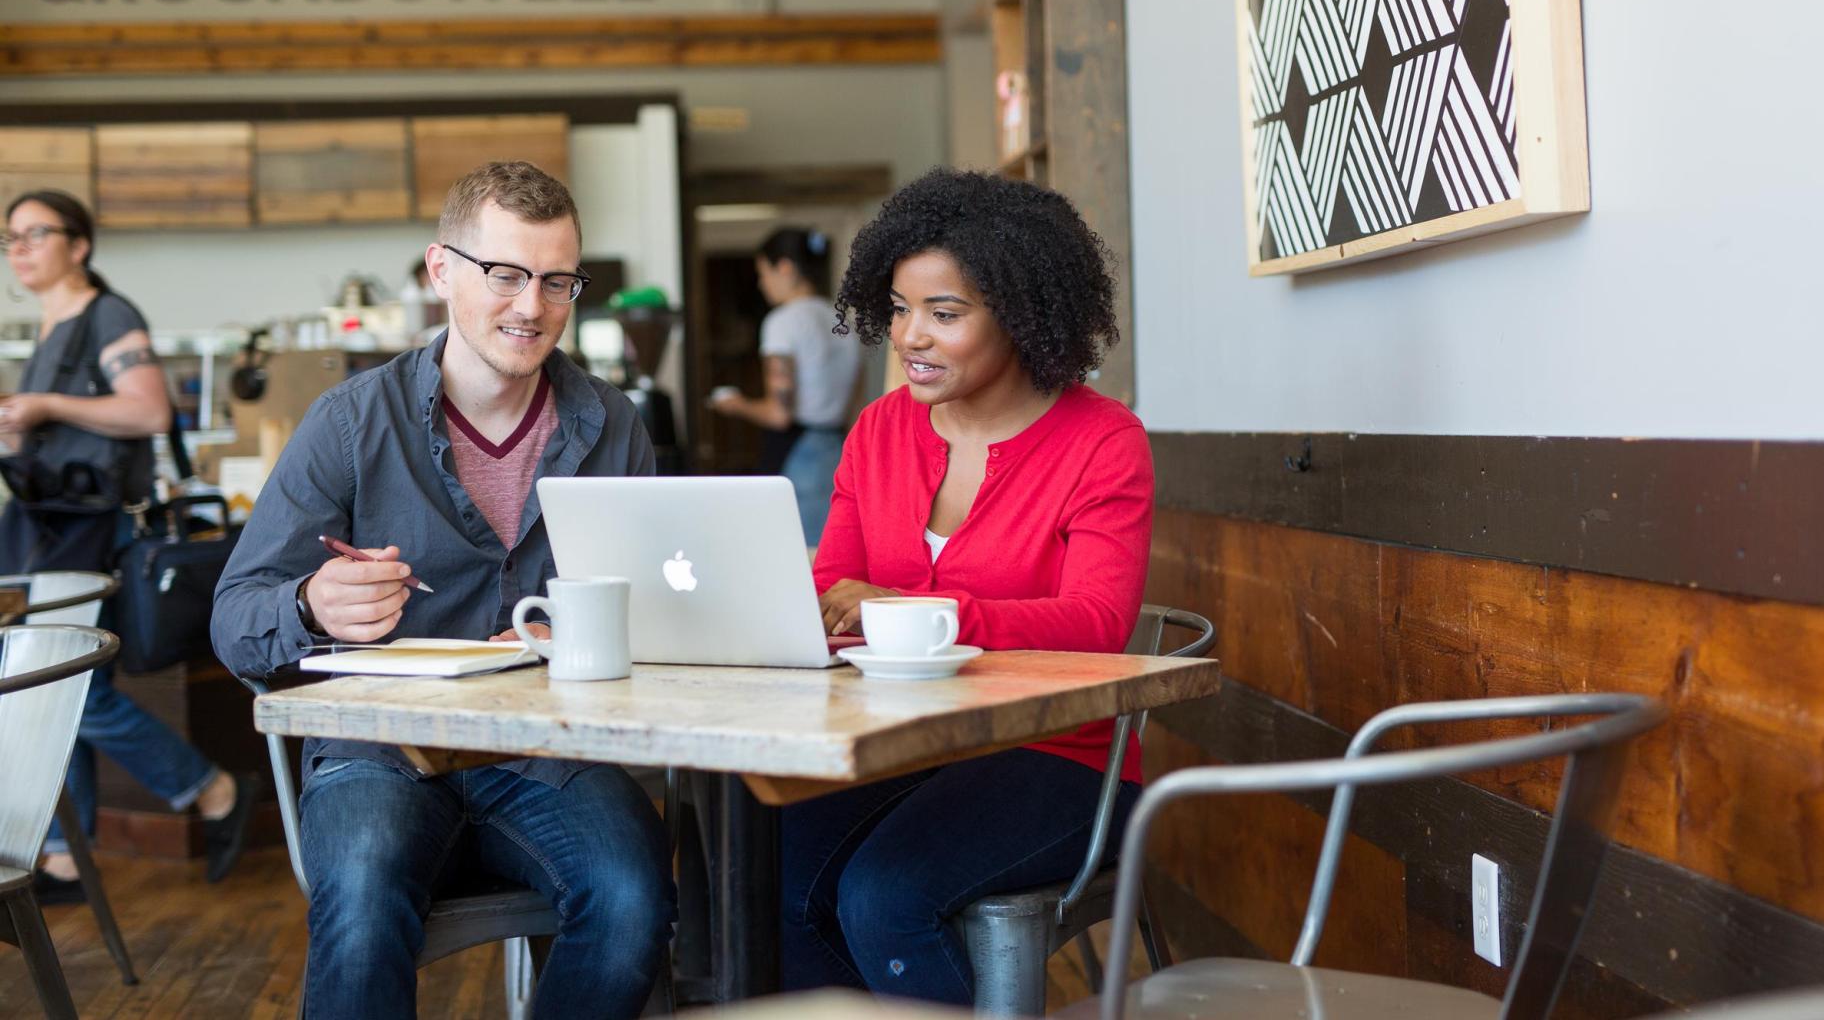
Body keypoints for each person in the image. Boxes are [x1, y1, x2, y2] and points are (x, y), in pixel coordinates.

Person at [211, 162, 674, 1018]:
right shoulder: (350, 422)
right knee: (360, 904)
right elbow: (235, 618)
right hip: (378, 752)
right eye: (504, 274)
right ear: (440, 271)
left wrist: (591, 634)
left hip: (547, 755)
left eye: (557, 281)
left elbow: (651, 609)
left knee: (636, 899)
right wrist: (310, 603)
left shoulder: (611, 424)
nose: (532, 306)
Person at [783, 169, 1153, 1004]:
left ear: (1020, 315)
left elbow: (1098, 622)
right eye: (900, 308)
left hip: (1059, 757)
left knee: (884, 896)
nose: (909, 336)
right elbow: (833, 589)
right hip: (902, 743)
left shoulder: (1103, 441)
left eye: (944, 314)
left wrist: (921, 611)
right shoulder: (878, 431)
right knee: (768, 875)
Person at [1, 190, 260, 901]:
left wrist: (45, 405)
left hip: (87, 531)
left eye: (35, 233)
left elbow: (149, 410)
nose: (19, 249)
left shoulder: (106, 315)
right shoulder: (53, 325)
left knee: (68, 692)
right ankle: (64, 858)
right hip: (50, 528)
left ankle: (212, 790)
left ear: (79, 245)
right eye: (11, 237)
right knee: (59, 688)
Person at [710, 227, 863, 544]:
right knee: (829, 552)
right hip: (839, 450)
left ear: (784, 268)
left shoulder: (783, 321)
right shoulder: (842, 321)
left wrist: (736, 404)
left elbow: (779, 415)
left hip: (798, 453)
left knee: (793, 554)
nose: (761, 283)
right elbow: (855, 402)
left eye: (763, 273)